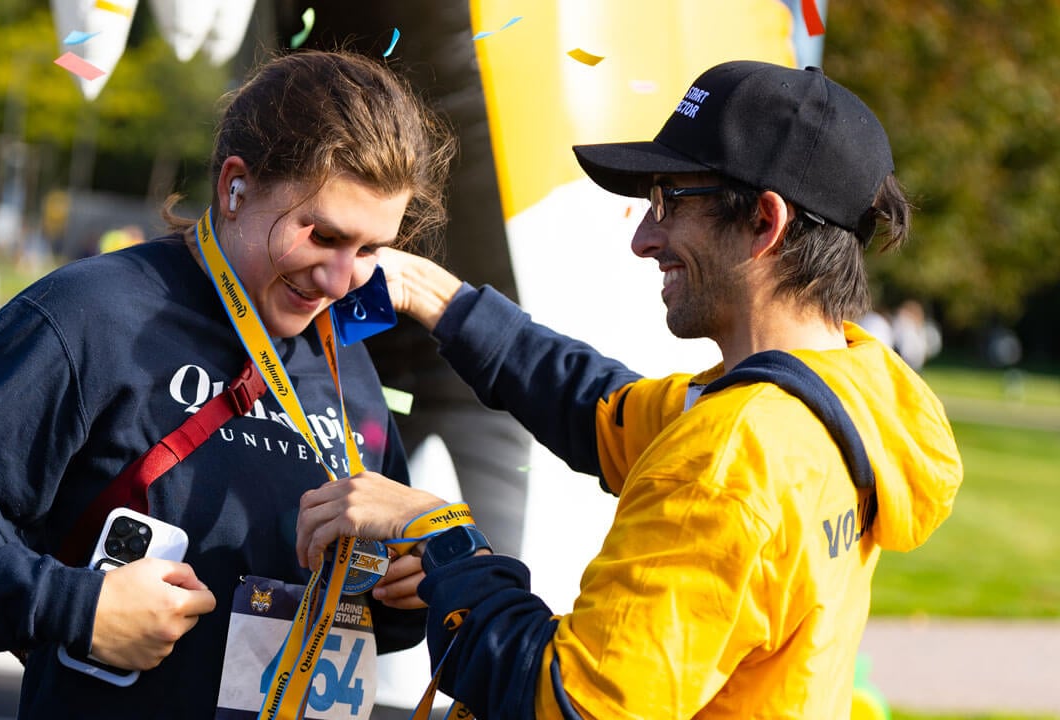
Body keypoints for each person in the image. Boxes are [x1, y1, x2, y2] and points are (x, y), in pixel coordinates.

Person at [296, 60, 963, 718]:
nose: (645, 239)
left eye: (669, 200)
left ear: (765, 222)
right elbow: (604, 415)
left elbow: (570, 703)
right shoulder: (844, 388)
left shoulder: (729, 457)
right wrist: (435, 296)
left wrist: (441, 537)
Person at [0, 49, 455, 719]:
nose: (341, 281)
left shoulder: (346, 365)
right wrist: (76, 607)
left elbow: (367, 620)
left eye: (371, 250)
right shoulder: (89, 315)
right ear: (235, 187)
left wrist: (408, 588)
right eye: (323, 235)